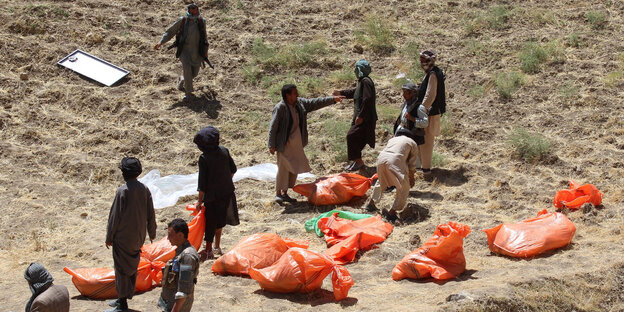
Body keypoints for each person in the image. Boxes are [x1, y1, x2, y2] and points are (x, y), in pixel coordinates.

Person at [268, 84, 344, 204]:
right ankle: (278, 194)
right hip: (284, 143)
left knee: (295, 167)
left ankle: (285, 193)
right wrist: (271, 144)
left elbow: (315, 103)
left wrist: (332, 100)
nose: (297, 95)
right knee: (283, 167)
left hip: (296, 143)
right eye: (294, 93)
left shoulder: (300, 104)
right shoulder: (280, 108)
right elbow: (273, 126)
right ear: (288, 96)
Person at [105, 157, 157, 312]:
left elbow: (114, 217)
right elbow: (151, 214)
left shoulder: (123, 191)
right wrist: (151, 233)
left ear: (125, 174)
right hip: (138, 237)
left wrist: (109, 237)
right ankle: (124, 296)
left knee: (121, 269)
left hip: (123, 238)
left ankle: (122, 303)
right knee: (132, 267)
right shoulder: (144, 189)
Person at [193, 126, 239, 261]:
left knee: (210, 222)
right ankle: (217, 246)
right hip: (226, 192)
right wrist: (223, 181)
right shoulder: (224, 151)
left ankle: (208, 250)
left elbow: (202, 184)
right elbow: (233, 170)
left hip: (212, 197)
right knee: (220, 220)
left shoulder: (204, 158)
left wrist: (199, 202)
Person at [154, 3, 210, 100]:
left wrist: (205, 52)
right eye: (192, 9)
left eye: (195, 9)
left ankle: (182, 79)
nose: (194, 11)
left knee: (194, 73)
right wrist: (161, 42)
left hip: (197, 52)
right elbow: (170, 32)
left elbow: (204, 37)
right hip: (185, 51)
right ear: (189, 10)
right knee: (187, 70)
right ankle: (188, 93)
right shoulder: (183, 20)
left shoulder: (202, 21)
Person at [366, 130, 421, 223]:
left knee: (381, 181)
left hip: (381, 159)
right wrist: (411, 178)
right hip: (394, 160)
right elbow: (412, 164)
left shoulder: (392, 140)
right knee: (404, 187)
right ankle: (392, 212)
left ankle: (371, 204)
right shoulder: (412, 142)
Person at [333, 59, 377, 171]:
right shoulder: (363, 82)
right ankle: (357, 162)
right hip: (364, 117)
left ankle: (359, 162)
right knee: (357, 139)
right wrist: (341, 93)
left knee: (351, 136)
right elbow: (355, 92)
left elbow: (367, 99)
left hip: (365, 118)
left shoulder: (366, 81)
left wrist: (361, 116)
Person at [158, 219, 200, 312]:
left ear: (180, 235)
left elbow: (184, 291)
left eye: (170, 234)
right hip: (170, 303)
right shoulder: (181, 253)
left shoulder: (187, 257)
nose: (168, 238)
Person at [417, 50, 446, 177]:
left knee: (427, 141)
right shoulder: (432, 72)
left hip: (429, 113)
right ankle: (420, 165)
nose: (421, 63)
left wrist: (422, 109)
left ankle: (426, 169)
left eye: (423, 60)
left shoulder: (433, 74)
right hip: (428, 112)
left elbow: (430, 95)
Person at [393, 82, 429, 157]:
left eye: (406, 93)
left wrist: (412, 119)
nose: (403, 95)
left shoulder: (419, 107)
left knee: (411, 158)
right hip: (401, 133)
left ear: (412, 93)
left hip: (412, 136)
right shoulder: (406, 104)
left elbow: (425, 123)